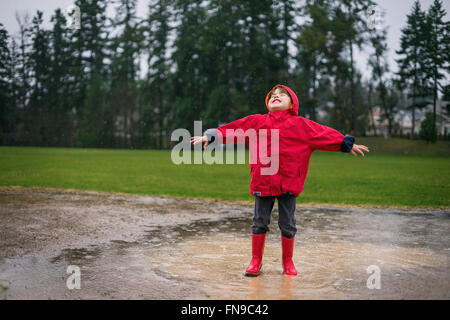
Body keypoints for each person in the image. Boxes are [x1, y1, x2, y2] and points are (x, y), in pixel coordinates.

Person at [190, 84, 369, 276]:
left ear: (292, 103)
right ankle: (255, 261)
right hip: (263, 181)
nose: (276, 96)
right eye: (273, 95)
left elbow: (323, 134)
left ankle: (288, 262)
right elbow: (234, 129)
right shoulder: (256, 122)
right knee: (259, 221)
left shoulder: (302, 125)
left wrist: (344, 143)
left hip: (289, 183)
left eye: (282, 94)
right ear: (268, 103)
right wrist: (211, 135)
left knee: (288, 223)